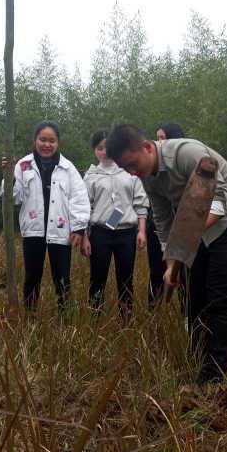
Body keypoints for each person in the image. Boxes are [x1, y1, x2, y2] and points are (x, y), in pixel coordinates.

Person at [106, 124, 227, 385]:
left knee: (219, 299)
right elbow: (164, 223)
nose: (132, 173)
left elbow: (222, 200)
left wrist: (188, 238)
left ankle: (212, 380)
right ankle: (196, 360)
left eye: (133, 164)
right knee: (193, 298)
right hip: (196, 227)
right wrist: (170, 264)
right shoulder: (147, 176)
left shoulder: (187, 153)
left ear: (145, 147)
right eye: (126, 169)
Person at [1, 121, 89, 312]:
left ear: (58, 143)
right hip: (33, 229)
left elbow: (79, 198)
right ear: (35, 141)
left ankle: (65, 318)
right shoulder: (23, 165)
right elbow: (13, 198)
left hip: (61, 230)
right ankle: (30, 316)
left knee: (62, 277)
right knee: (32, 276)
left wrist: (79, 227)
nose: (47, 145)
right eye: (42, 140)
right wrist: (9, 175)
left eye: (52, 141)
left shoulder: (68, 168)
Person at [80, 129, 148, 316]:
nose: (104, 151)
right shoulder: (91, 176)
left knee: (126, 279)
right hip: (100, 233)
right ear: (95, 150)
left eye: (108, 147)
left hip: (126, 233)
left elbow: (140, 204)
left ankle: (126, 318)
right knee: (97, 279)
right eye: (99, 148)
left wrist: (141, 231)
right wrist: (84, 237)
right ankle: (96, 318)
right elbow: (85, 208)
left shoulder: (130, 172)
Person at [148, 123, 185, 307]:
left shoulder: (184, 163)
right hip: (160, 228)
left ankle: (188, 315)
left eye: (162, 138)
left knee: (186, 276)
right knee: (157, 271)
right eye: (157, 138)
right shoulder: (152, 174)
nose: (158, 143)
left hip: (187, 229)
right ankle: (154, 309)